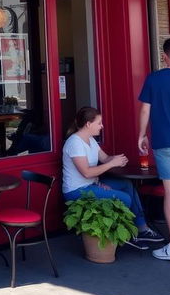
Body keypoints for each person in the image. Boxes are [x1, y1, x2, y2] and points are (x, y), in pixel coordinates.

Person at [63, 106, 163, 250]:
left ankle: (142, 229)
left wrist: (116, 159)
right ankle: (128, 235)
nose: (102, 126)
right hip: (77, 191)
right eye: (99, 123)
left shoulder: (90, 140)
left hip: (91, 185)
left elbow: (104, 159)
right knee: (125, 198)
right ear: (88, 124)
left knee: (127, 184)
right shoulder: (75, 143)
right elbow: (86, 173)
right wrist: (111, 164)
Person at [138, 37, 170, 261]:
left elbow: (145, 111)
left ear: (164, 56)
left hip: (165, 142)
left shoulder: (154, 79)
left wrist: (141, 135)